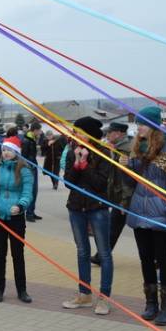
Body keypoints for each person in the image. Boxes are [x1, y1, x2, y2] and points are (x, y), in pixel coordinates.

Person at [125, 106, 166, 326]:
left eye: (142, 123)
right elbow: (133, 183)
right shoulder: (138, 149)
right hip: (140, 212)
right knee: (145, 258)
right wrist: (127, 168)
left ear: (152, 126)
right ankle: (150, 303)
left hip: (161, 214)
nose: (138, 127)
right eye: (137, 124)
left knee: (163, 260)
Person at [61, 117, 114, 315]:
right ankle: (84, 294)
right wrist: (76, 163)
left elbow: (100, 183)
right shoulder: (71, 150)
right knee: (82, 250)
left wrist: (86, 164)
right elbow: (68, 181)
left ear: (89, 133)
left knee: (104, 252)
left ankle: (104, 297)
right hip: (76, 207)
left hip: (97, 207)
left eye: (79, 131)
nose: (75, 135)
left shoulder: (103, 152)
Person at [0, 135, 33, 304]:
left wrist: (20, 206)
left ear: (16, 152)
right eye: (4, 150)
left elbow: (27, 193)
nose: (5, 153)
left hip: (16, 218)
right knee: (0, 254)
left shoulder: (24, 170)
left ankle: (22, 290)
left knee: (17, 255)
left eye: (9, 150)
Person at [92, 121, 133, 264]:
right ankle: (101, 255)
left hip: (124, 196)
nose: (107, 135)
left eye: (110, 132)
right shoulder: (117, 147)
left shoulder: (126, 150)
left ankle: (101, 256)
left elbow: (125, 178)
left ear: (120, 133)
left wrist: (124, 200)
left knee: (114, 227)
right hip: (118, 194)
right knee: (114, 227)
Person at [21, 122, 42, 222]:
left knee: (35, 190)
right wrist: (29, 167)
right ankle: (28, 213)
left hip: (33, 165)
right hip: (30, 167)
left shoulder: (32, 139)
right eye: (40, 130)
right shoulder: (27, 140)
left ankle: (32, 212)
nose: (41, 132)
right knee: (31, 190)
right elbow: (24, 156)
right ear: (35, 130)